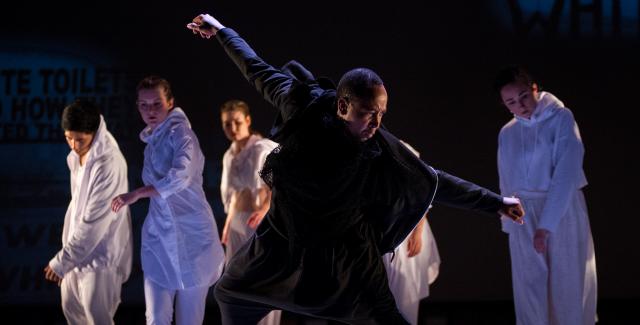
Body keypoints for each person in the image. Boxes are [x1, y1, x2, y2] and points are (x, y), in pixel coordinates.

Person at [187, 14, 525, 324]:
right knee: (230, 293)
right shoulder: (301, 104)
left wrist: (496, 203)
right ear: (343, 105)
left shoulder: (378, 149)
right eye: (368, 113)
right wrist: (220, 31)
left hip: (346, 247)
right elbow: (256, 68)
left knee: (383, 316)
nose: (377, 123)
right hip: (285, 234)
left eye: (381, 113)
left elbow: (435, 180)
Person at [111, 76, 225, 325]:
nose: (150, 110)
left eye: (156, 104)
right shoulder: (151, 142)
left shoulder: (183, 135)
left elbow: (179, 177)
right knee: (155, 317)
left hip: (192, 236)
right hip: (159, 238)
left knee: (189, 320)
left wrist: (138, 193)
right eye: (144, 104)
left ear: (170, 103)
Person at [494, 65, 597, 325]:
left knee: (566, 283)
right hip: (524, 212)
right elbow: (506, 180)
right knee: (529, 288)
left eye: (524, 96)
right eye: (511, 102)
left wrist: (546, 225)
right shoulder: (507, 133)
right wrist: (510, 223)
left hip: (561, 209)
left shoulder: (561, 118)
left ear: (534, 89)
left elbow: (566, 172)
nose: (520, 105)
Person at [45, 99, 133, 325]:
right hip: (77, 255)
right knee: (73, 315)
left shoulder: (109, 163)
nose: (73, 145)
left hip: (101, 258)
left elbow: (95, 222)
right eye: (68, 138)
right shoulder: (77, 155)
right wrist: (69, 256)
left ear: (94, 131)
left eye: (79, 139)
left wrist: (62, 261)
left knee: (98, 320)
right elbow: (77, 210)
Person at [219, 99, 281, 325]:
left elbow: (278, 185)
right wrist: (227, 225)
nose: (232, 129)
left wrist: (266, 209)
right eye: (227, 124)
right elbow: (234, 195)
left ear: (247, 120)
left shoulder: (261, 148)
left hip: (259, 222)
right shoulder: (229, 155)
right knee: (238, 284)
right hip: (237, 224)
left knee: (262, 282)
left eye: (236, 122)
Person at [381, 141, 440, 325]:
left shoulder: (402, 149)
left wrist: (417, 232)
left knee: (404, 294)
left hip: (406, 227)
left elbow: (424, 192)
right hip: (380, 229)